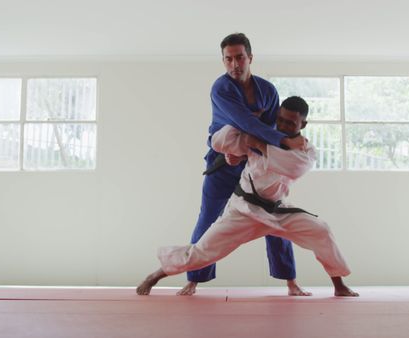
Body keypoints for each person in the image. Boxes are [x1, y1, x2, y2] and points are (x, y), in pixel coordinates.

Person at [137, 96, 358, 297]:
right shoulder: (260, 131)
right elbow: (219, 141)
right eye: (280, 120)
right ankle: (155, 276)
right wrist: (244, 121)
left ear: (303, 125)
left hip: (278, 211)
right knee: (202, 252)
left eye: (290, 123)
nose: (282, 126)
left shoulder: (305, 150)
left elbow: (293, 168)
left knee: (321, 230)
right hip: (244, 210)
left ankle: (339, 285)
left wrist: (259, 144)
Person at [179, 33, 309, 296]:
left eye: (239, 57)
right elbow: (246, 122)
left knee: (274, 216)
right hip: (222, 162)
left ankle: (290, 281)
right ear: (223, 61)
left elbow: (269, 128)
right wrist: (282, 139)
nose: (234, 64)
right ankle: (193, 279)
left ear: (250, 57)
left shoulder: (268, 91)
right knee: (209, 217)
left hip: (256, 165)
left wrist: (267, 141)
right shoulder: (221, 88)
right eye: (228, 59)